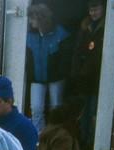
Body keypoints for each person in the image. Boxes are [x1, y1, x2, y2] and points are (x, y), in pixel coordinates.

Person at [26, 3, 72, 132]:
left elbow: (66, 58)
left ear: (41, 18)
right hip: (36, 78)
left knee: (56, 108)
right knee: (36, 109)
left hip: (56, 78)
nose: (30, 21)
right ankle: (39, 138)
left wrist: (61, 74)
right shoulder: (29, 35)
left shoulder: (61, 33)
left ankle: (55, 135)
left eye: (32, 18)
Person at [71, 0, 106, 150]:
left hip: (100, 77)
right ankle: (84, 140)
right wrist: (75, 73)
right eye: (91, 10)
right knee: (84, 111)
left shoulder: (107, 28)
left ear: (103, 9)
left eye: (96, 9)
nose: (93, 13)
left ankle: (94, 141)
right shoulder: (85, 28)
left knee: (95, 111)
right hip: (84, 77)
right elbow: (78, 52)